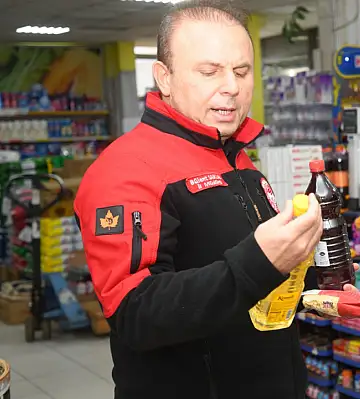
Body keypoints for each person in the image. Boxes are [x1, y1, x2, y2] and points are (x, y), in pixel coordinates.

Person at [74, 1, 345, 398]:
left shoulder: (237, 157)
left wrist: (315, 289)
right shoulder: (125, 169)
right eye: (209, 71)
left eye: (241, 71)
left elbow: (241, 282)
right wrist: (261, 261)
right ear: (163, 77)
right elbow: (136, 314)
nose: (232, 87)